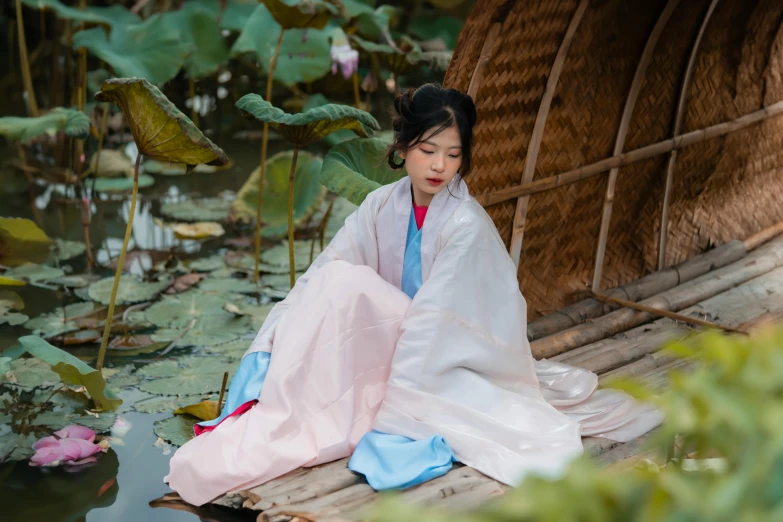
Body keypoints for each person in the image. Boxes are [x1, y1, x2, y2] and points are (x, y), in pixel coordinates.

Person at [165, 83, 663, 506]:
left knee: (352, 287)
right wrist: (270, 348)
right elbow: (325, 270)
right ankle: (289, 403)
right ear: (402, 147)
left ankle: (364, 406)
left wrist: (397, 422)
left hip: (441, 357)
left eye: (453, 153)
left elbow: (435, 322)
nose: (439, 166)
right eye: (428, 150)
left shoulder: (465, 225)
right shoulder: (382, 203)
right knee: (338, 280)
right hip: (390, 337)